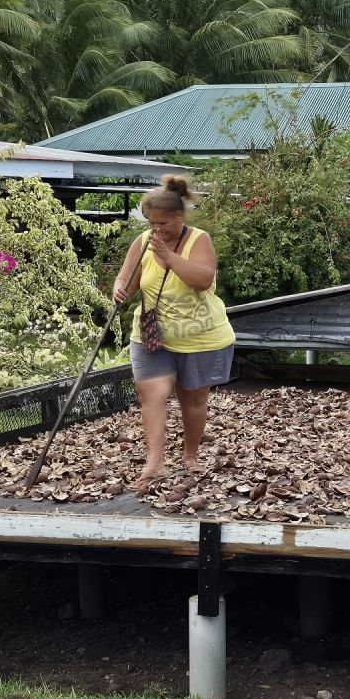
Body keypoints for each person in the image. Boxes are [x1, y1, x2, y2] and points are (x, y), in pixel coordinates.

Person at [112, 175, 235, 489]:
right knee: (151, 395)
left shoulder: (199, 239)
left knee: (192, 399)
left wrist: (168, 257)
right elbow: (127, 277)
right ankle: (155, 461)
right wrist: (121, 290)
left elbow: (202, 279)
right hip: (154, 335)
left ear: (179, 218)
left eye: (163, 224)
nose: (157, 230)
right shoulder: (143, 242)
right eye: (152, 223)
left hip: (200, 336)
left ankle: (190, 454)